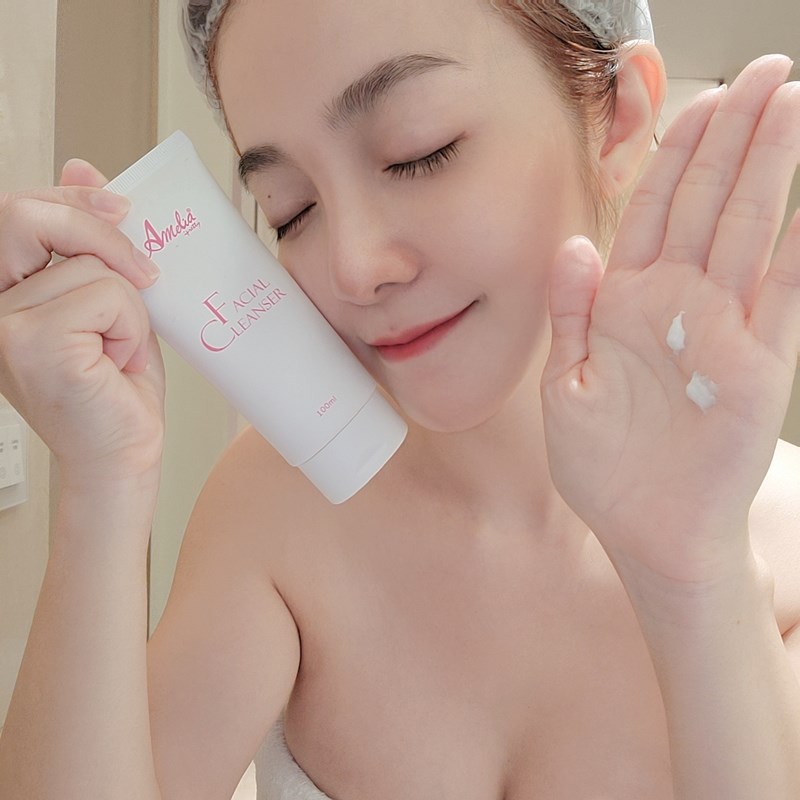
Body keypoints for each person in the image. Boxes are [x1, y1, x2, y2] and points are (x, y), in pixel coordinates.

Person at [1, 0, 799, 797]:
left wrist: (697, 582)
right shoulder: (280, 504)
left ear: (617, 121)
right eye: (291, 210)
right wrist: (102, 484)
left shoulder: (778, 550)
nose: (353, 267)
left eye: (419, 152)